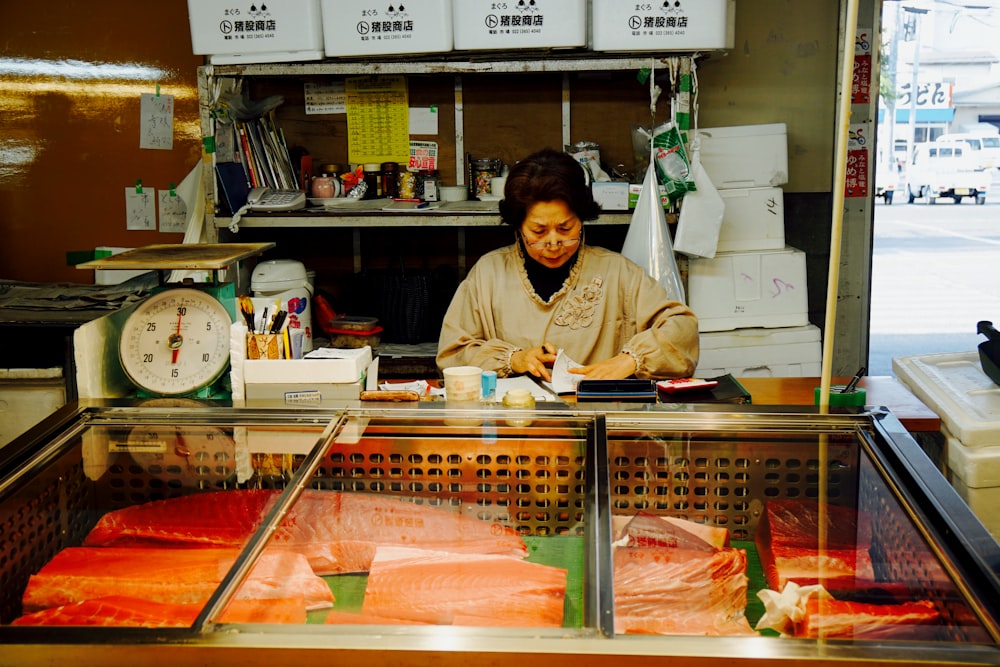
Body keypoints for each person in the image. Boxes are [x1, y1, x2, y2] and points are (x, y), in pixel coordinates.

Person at [436, 148, 699, 382]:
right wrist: (513, 360)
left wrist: (630, 360)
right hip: (515, 424)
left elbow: (682, 329)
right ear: (518, 226)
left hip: (598, 420)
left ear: (583, 218)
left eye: (565, 228)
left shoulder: (616, 272)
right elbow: (452, 355)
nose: (553, 243)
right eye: (538, 231)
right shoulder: (488, 274)